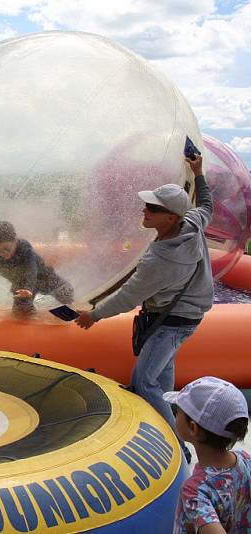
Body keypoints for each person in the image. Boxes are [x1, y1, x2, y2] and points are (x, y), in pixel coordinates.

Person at [75, 156, 213, 451]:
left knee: (144, 381)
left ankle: (176, 445)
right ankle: (165, 425)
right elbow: (206, 206)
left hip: (172, 322)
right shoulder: (192, 222)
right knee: (162, 376)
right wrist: (199, 173)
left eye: (152, 208)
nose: (144, 210)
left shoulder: (161, 260)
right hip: (188, 316)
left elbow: (129, 296)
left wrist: (94, 315)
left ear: (170, 218)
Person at [163, 376, 250, 533]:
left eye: (178, 411)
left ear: (193, 428)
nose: (175, 415)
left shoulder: (195, 491)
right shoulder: (245, 460)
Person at [0, 220, 74, 317]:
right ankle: (32, 320)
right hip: (21, 285)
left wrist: (28, 288)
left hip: (43, 278)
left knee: (64, 292)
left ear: (15, 240)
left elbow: (31, 270)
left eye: (6, 249)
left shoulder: (24, 249)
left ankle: (69, 304)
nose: (2, 254)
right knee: (21, 312)